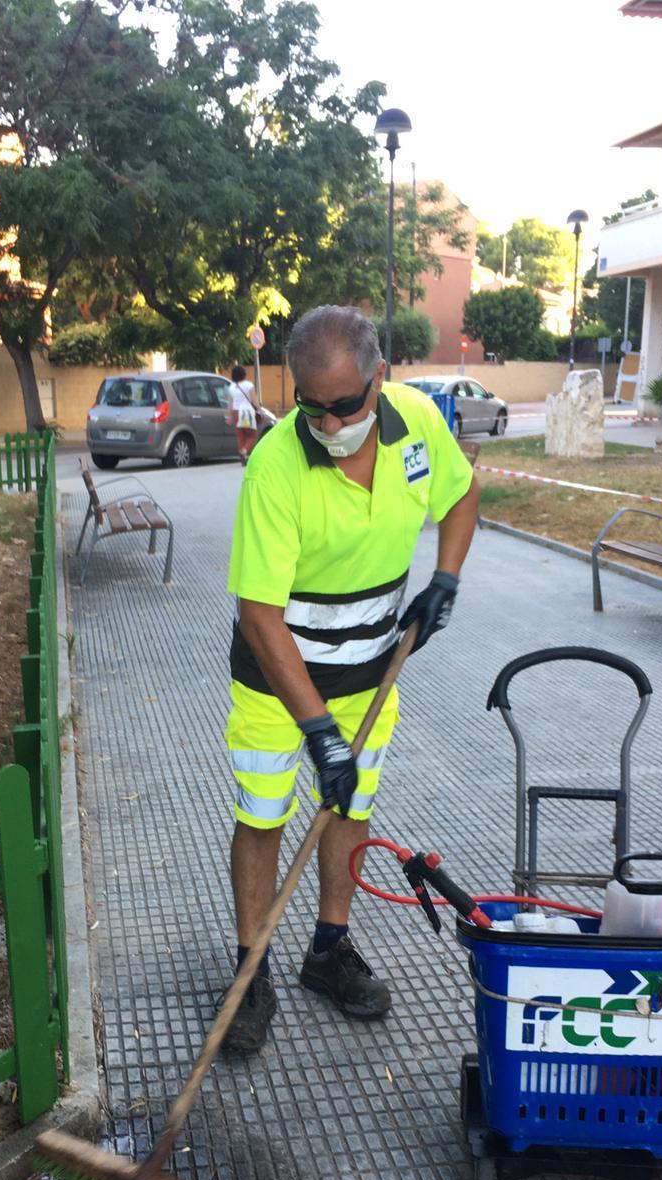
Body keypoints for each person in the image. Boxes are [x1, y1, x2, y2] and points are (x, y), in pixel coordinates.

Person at [221, 304, 481, 1053]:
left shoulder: (417, 424)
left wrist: (445, 578)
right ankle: (250, 970)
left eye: (344, 406)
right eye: (312, 408)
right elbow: (260, 616)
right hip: (278, 681)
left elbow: (461, 493)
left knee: (350, 809)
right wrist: (319, 733)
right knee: (263, 815)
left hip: (371, 672)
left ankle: (328, 950)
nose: (329, 425)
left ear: (379, 379)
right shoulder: (276, 466)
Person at [227, 364, 259, 465]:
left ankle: (242, 455)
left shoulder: (231, 387)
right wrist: (259, 409)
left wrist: (230, 416)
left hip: (236, 412)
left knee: (240, 435)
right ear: (244, 374)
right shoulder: (249, 385)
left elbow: (230, 403)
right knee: (252, 434)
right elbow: (254, 400)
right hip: (246, 412)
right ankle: (244, 451)